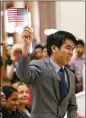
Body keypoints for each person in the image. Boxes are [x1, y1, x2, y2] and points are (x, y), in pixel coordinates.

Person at [16, 27, 77, 118]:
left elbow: (72, 106)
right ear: (54, 48)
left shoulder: (71, 75)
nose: (71, 52)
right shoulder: (39, 66)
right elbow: (24, 75)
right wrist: (26, 47)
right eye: (68, 48)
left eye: (72, 49)